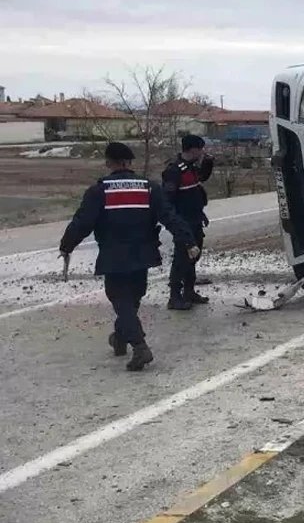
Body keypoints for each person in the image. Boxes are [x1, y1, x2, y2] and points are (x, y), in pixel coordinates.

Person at [59, 142, 200, 371]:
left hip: (114, 256)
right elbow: (170, 217)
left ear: (108, 163)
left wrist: (66, 246)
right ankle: (120, 337)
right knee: (132, 300)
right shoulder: (149, 188)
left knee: (121, 300)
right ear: (129, 163)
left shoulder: (99, 191)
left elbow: (82, 223)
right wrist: (188, 241)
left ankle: (140, 346)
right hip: (143, 254)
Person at [162, 134, 214, 310]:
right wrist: (176, 223)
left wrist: (208, 164)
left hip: (195, 218)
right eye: (200, 149)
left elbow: (200, 181)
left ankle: (189, 291)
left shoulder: (190, 168)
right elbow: (168, 200)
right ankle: (174, 296)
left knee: (194, 255)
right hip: (182, 222)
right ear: (192, 149)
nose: (202, 152)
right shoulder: (174, 171)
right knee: (182, 258)